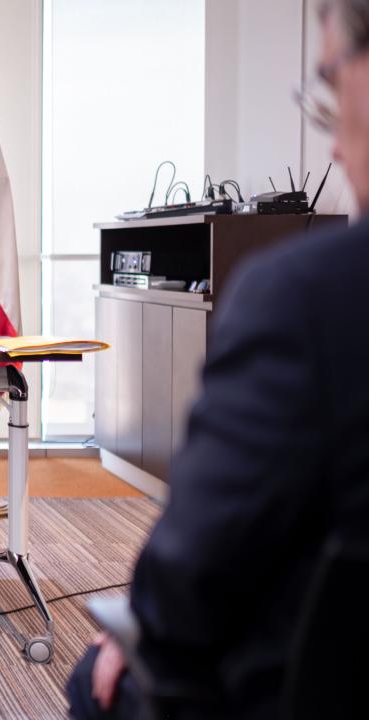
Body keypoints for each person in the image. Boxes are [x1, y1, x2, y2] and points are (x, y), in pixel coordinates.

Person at [66, 1, 369, 717]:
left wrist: (136, 637)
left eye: (329, 79)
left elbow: (192, 573)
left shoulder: (305, 298)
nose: (330, 144)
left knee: (96, 679)